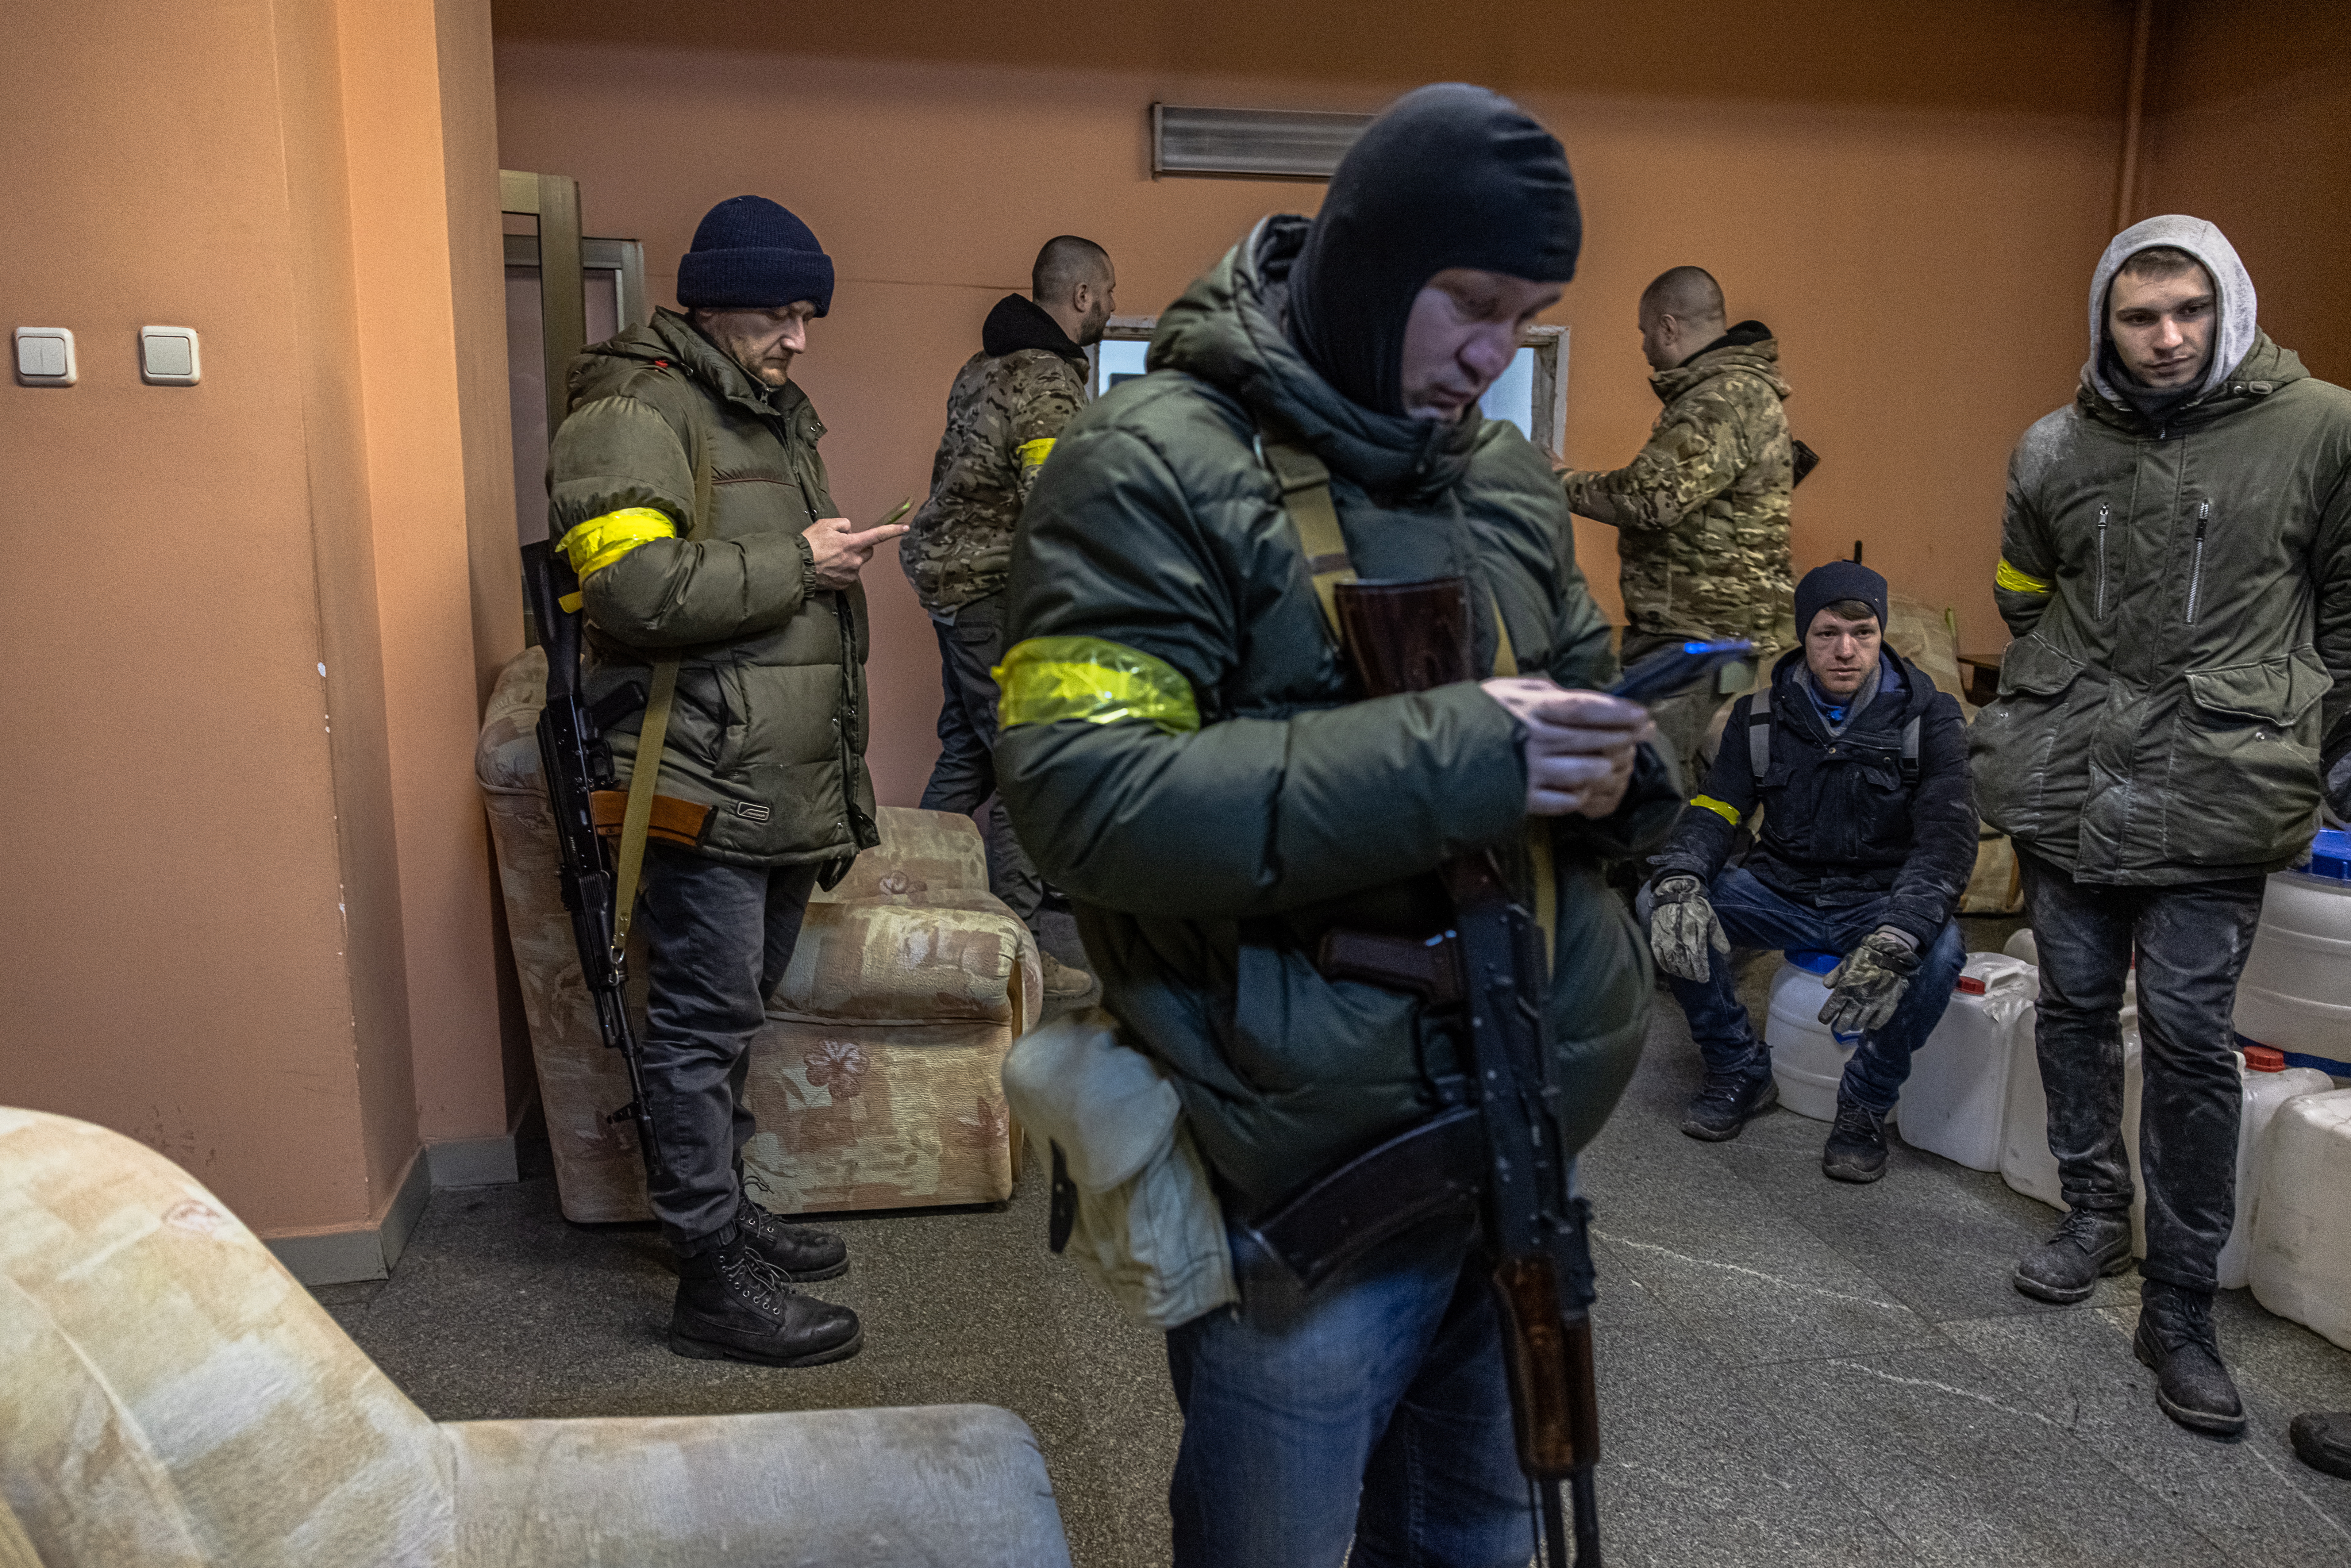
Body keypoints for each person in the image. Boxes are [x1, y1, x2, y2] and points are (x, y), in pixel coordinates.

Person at [994, 85, 1679, 1566]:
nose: (1497, 355)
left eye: (1532, 314)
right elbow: (1085, 804)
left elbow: (1584, 688)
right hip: (1307, 1179)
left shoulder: (1495, 477)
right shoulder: (1148, 464)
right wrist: (1466, 752)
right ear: (1370, 269)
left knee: (1483, 1534)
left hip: (1520, 1133)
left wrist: (1629, 767)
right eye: (1474, 305)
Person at [1972, 215, 2351, 1439]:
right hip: (2069, 780)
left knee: (2188, 1038)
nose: (2164, 336)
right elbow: (2018, 593)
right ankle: (2090, 1213)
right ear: (2105, 323)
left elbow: (2345, 613)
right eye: (2137, 316)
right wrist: (2053, 687)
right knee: (2071, 1006)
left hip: (2216, 788)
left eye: (2185, 309)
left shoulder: (2320, 431)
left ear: (2227, 304)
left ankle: (2177, 1305)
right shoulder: (2052, 443)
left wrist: (2317, 739)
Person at [547, 195, 908, 1367]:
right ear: (710, 301)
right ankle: (709, 1278)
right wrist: (797, 561)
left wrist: (820, 565)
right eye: (781, 313)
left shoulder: (762, 408)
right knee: (698, 1028)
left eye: (808, 316)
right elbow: (633, 590)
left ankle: (725, 1212)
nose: (800, 337)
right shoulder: (635, 405)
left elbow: (750, 575)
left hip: (767, 775)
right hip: (697, 773)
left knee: (731, 1017)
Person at [1645, 560, 1976, 1178]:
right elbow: (1718, 808)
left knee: (1941, 950)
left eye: (1863, 632)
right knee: (1662, 905)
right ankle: (1737, 1067)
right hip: (1779, 890)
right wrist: (1682, 874)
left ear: (1881, 636)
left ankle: (1865, 1103)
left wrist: (1900, 933)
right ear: (1804, 635)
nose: (1845, 650)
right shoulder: (1760, 717)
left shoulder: (1928, 719)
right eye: (1827, 633)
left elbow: (1945, 841)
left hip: (1875, 903)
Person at [901, 237, 1118, 1000]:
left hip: (952, 583)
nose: (1114, 309)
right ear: (1084, 296)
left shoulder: (983, 366)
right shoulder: (1047, 377)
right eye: (1110, 295)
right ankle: (1014, 961)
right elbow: (1055, 507)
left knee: (970, 751)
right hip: (996, 589)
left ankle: (912, 903)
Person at [1561, 266, 1796, 786]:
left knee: (1657, 783)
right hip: (1698, 636)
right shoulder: (1729, 394)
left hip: (1701, 639)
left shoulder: (1723, 399)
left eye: (1646, 332)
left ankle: (1672, 871)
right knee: (1672, 777)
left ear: (1669, 327)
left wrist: (1557, 480)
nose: (1644, 347)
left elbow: (1652, 498)